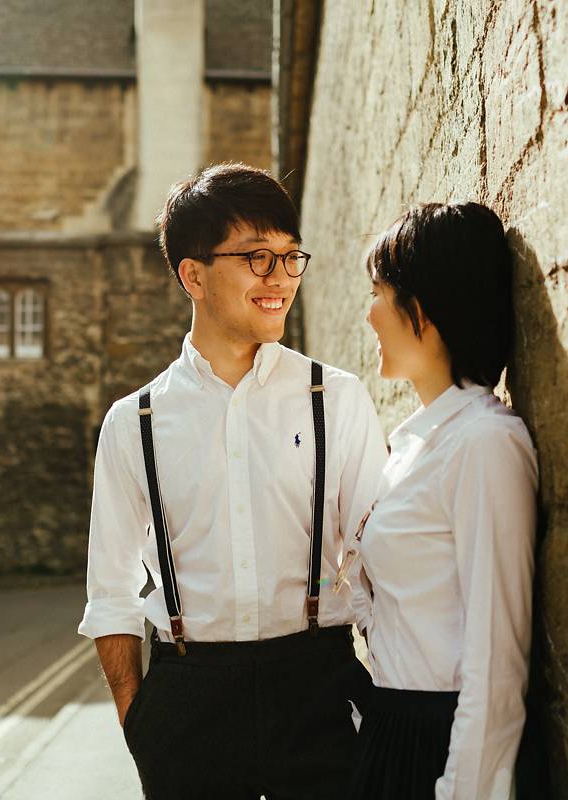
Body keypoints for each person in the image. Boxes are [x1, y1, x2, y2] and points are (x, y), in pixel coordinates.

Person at [78, 163, 387, 799]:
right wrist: (141, 723)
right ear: (193, 275)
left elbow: (377, 565)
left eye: (288, 258)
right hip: (188, 704)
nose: (279, 279)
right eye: (255, 258)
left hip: (317, 689)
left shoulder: (336, 398)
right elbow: (110, 592)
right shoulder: (133, 423)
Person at [344, 203, 538, 799]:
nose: (369, 313)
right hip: (393, 730)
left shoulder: (484, 443)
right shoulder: (411, 444)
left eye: (378, 292)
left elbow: (496, 665)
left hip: (446, 747)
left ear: (421, 310)